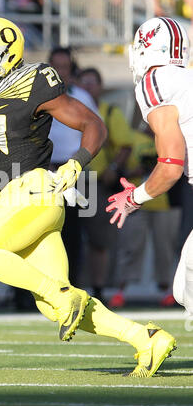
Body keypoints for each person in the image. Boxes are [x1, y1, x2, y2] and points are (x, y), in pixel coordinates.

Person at [0, 16, 176, 377]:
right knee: (52, 304)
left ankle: (64, 295)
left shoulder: (33, 83)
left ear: (7, 57)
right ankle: (145, 339)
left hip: (34, 187)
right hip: (10, 198)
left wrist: (76, 163)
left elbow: (94, 124)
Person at [106, 16, 193, 321]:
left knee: (188, 288)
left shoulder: (155, 81)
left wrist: (134, 198)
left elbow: (170, 166)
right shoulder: (185, 80)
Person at [77, 67, 133, 302]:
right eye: (84, 82)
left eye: (93, 82)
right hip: (68, 180)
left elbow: (125, 144)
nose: (88, 87)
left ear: (100, 87)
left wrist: (112, 169)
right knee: (65, 235)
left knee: (97, 238)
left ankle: (97, 288)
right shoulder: (68, 108)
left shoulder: (108, 112)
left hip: (93, 182)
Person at [48, 48, 99, 287]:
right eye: (55, 66)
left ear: (71, 69)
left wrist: (79, 161)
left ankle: (72, 287)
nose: (60, 72)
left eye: (64, 67)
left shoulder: (81, 96)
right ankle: (29, 294)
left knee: (73, 233)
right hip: (41, 171)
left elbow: (96, 130)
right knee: (38, 230)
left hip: (74, 170)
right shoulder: (33, 95)